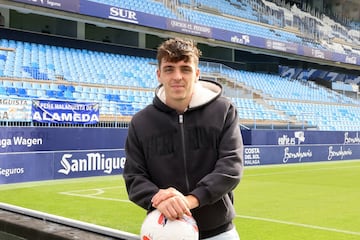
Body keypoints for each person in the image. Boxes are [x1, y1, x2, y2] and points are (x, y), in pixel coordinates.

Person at [123, 37, 244, 240]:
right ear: (159, 74)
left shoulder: (223, 110)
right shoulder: (141, 122)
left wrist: (190, 200)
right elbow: (134, 177)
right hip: (165, 231)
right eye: (169, 68)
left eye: (185, 68)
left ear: (196, 74)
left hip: (219, 232)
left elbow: (231, 167)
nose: (177, 76)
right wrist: (158, 198)